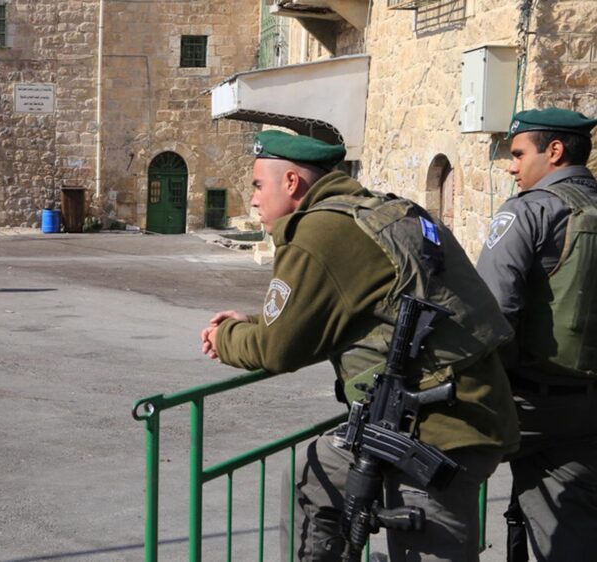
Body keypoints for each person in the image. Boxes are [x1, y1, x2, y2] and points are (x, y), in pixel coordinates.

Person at [200, 130, 519, 561]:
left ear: (291, 183)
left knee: (428, 545)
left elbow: (278, 349)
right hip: (460, 409)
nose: (253, 200)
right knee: (312, 474)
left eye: (258, 185)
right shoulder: (378, 210)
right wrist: (252, 324)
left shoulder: (320, 231)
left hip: (439, 430)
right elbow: (323, 318)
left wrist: (226, 337)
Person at [474, 108, 597, 562]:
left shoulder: (530, 211)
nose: (511, 165)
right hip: (587, 401)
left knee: (425, 464)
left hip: (531, 402)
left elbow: (491, 313)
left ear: (555, 151)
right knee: (569, 523)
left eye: (519, 153)